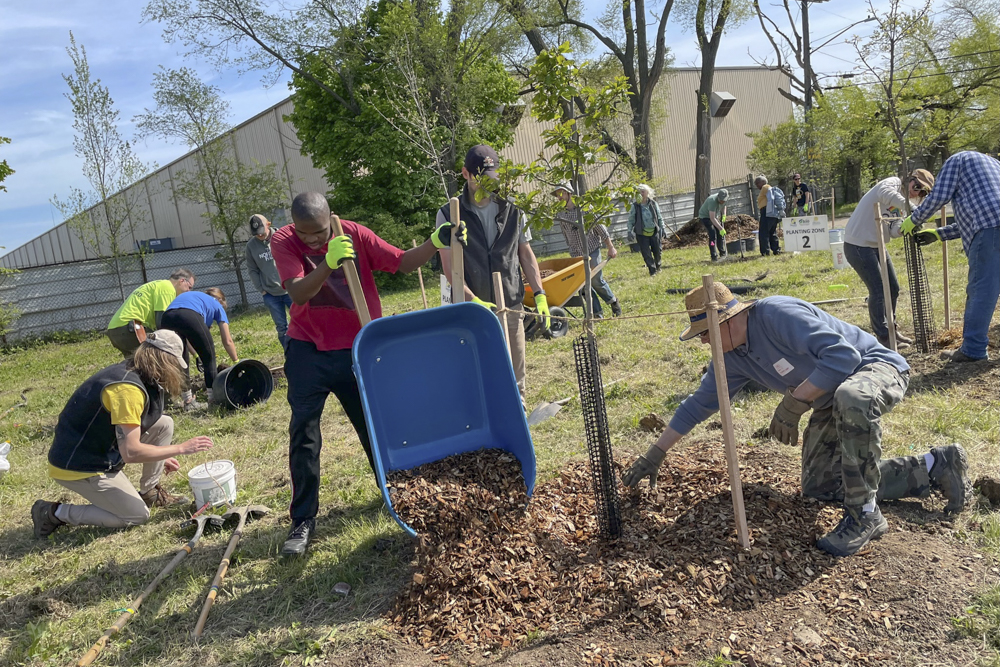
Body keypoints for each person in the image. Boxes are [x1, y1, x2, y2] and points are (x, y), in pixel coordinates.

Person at [622, 283, 971, 557]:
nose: (701, 340)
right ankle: (935, 466)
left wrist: (794, 403)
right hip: (830, 396)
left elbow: (843, 356)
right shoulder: (729, 356)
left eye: (703, 331)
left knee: (853, 397)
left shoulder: (776, 314)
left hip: (873, 369)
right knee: (821, 486)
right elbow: (699, 404)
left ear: (725, 320)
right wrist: (656, 453)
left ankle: (865, 514)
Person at [272, 191, 466, 556]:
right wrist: (326, 262)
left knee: (373, 427)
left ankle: (397, 496)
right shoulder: (284, 240)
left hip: (358, 347)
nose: (314, 239)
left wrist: (435, 241)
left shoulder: (355, 234)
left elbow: (403, 263)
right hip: (307, 350)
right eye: (307, 233)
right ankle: (302, 521)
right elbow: (298, 294)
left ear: (333, 216)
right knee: (304, 432)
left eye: (321, 232)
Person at [31, 331, 215, 538]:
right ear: (164, 360)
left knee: (164, 424)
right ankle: (54, 512)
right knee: (136, 516)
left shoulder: (138, 373)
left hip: (97, 445)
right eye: (175, 364)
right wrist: (181, 449)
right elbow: (131, 451)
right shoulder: (127, 390)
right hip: (79, 464)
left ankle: (149, 493)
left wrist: (160, 455)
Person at [437, 144, 546, 402]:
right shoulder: (448, 214)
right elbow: (450, 268)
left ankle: (518, 416)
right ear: (465, 173)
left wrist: (540, 293)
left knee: (516, 374)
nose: (488, 184)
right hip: (472, 309)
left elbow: (525, 253)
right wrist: (473, 301)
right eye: (481, 178)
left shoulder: (512, 207)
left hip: (510, 303)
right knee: (480, 373)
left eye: (492, 178)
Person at [904, 151, 1000, 363]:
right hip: (992, 225)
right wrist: (938, 233)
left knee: (981, 290)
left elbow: (939, 196)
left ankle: (973, 350)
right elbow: (977, 218)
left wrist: (915, 218)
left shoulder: (957, 160)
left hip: (991, 229)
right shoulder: (994, 166)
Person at [844, 171, 934, 349]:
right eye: (917, 187)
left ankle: (891, 329)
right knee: (878, 290)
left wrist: (907, 225)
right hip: (858, 245)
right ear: (909, 179)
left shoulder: (900, 206)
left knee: (893, 288)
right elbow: (885, 193)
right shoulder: (891, 183)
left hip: (877, 245)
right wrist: (912, 209)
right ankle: (883, 336)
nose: (916, 193)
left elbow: (893, 230)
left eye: (921, 192)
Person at [160, 287, 239, 410]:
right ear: (220, 300)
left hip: (166, 317)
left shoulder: (196, 298)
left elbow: (188, 336)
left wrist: (196, 355)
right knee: (209, 359)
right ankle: (213, 401)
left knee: (181, 360)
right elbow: (227, 340)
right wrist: (236, 362)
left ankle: (188, 401)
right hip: (189, 316)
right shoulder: (216, 304)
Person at [554, 183, 622, 318]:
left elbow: (600, 228)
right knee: (583, 285)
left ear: (569, 193)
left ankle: (613, 301)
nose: (559, 197)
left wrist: (611, 247)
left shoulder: (585, 208)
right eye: (557, 195)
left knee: (596, 280)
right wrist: (571, 249)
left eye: (561, 194)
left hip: (592, 250)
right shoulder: (561, 214)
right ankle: (597, 313)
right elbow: (565, 233)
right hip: (576, 254)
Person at [105, 269, 195, 357]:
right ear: (182, 281)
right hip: (130, 329)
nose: (189, 291)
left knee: (135, 366)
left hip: (115, 329)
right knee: (158, 358)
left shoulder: (158, 285)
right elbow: (162, 324)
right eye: (189, 287)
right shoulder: (167, 288)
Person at [245, 214, 292, 349]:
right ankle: (289, 355)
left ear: (268, 224)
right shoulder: (251, 246)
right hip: (270, 294)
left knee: (303, 323)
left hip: (291, 290)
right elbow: (252, 269)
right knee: (282, 328)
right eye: (256, 234)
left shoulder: (282, 237)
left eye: (261, 232)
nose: (259, 236)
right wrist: (262, 289)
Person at [629, 184, 667, 275]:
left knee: (657, 251)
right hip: (641, 233)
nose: (641, 193)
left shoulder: (653, 203)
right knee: (646, 253)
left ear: (647, 192)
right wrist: (629, 231)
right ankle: (652, 271)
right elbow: (631, 219)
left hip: (654, 231)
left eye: (643, 191)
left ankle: (658, 266)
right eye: (639, 192)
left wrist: (662, 228)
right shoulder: (635, 206)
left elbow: (659, 217)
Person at [697, 189, 729, 262]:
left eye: (724, 200)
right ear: (718, 197)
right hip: (705, 217)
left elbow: (724, 206)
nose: (722, 201)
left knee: (720, 235)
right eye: (721, 200)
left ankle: (722, 253)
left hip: (714, 217)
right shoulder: (712, 201)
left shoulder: (725, 199)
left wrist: (724, 215)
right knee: (712, 235)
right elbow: (712, 218)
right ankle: (714, 256)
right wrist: (721, 228)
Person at [755, 175, 781, 256]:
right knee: (772, 232)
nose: (757, 186)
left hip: (767, 212)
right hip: (773, 212)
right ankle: (776, 250)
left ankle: (765, 252)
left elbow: (771, 198)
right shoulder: (770, 188)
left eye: (757, 184)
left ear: (762, 182)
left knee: (763, 233)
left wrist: (768, 211)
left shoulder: (765, 187)